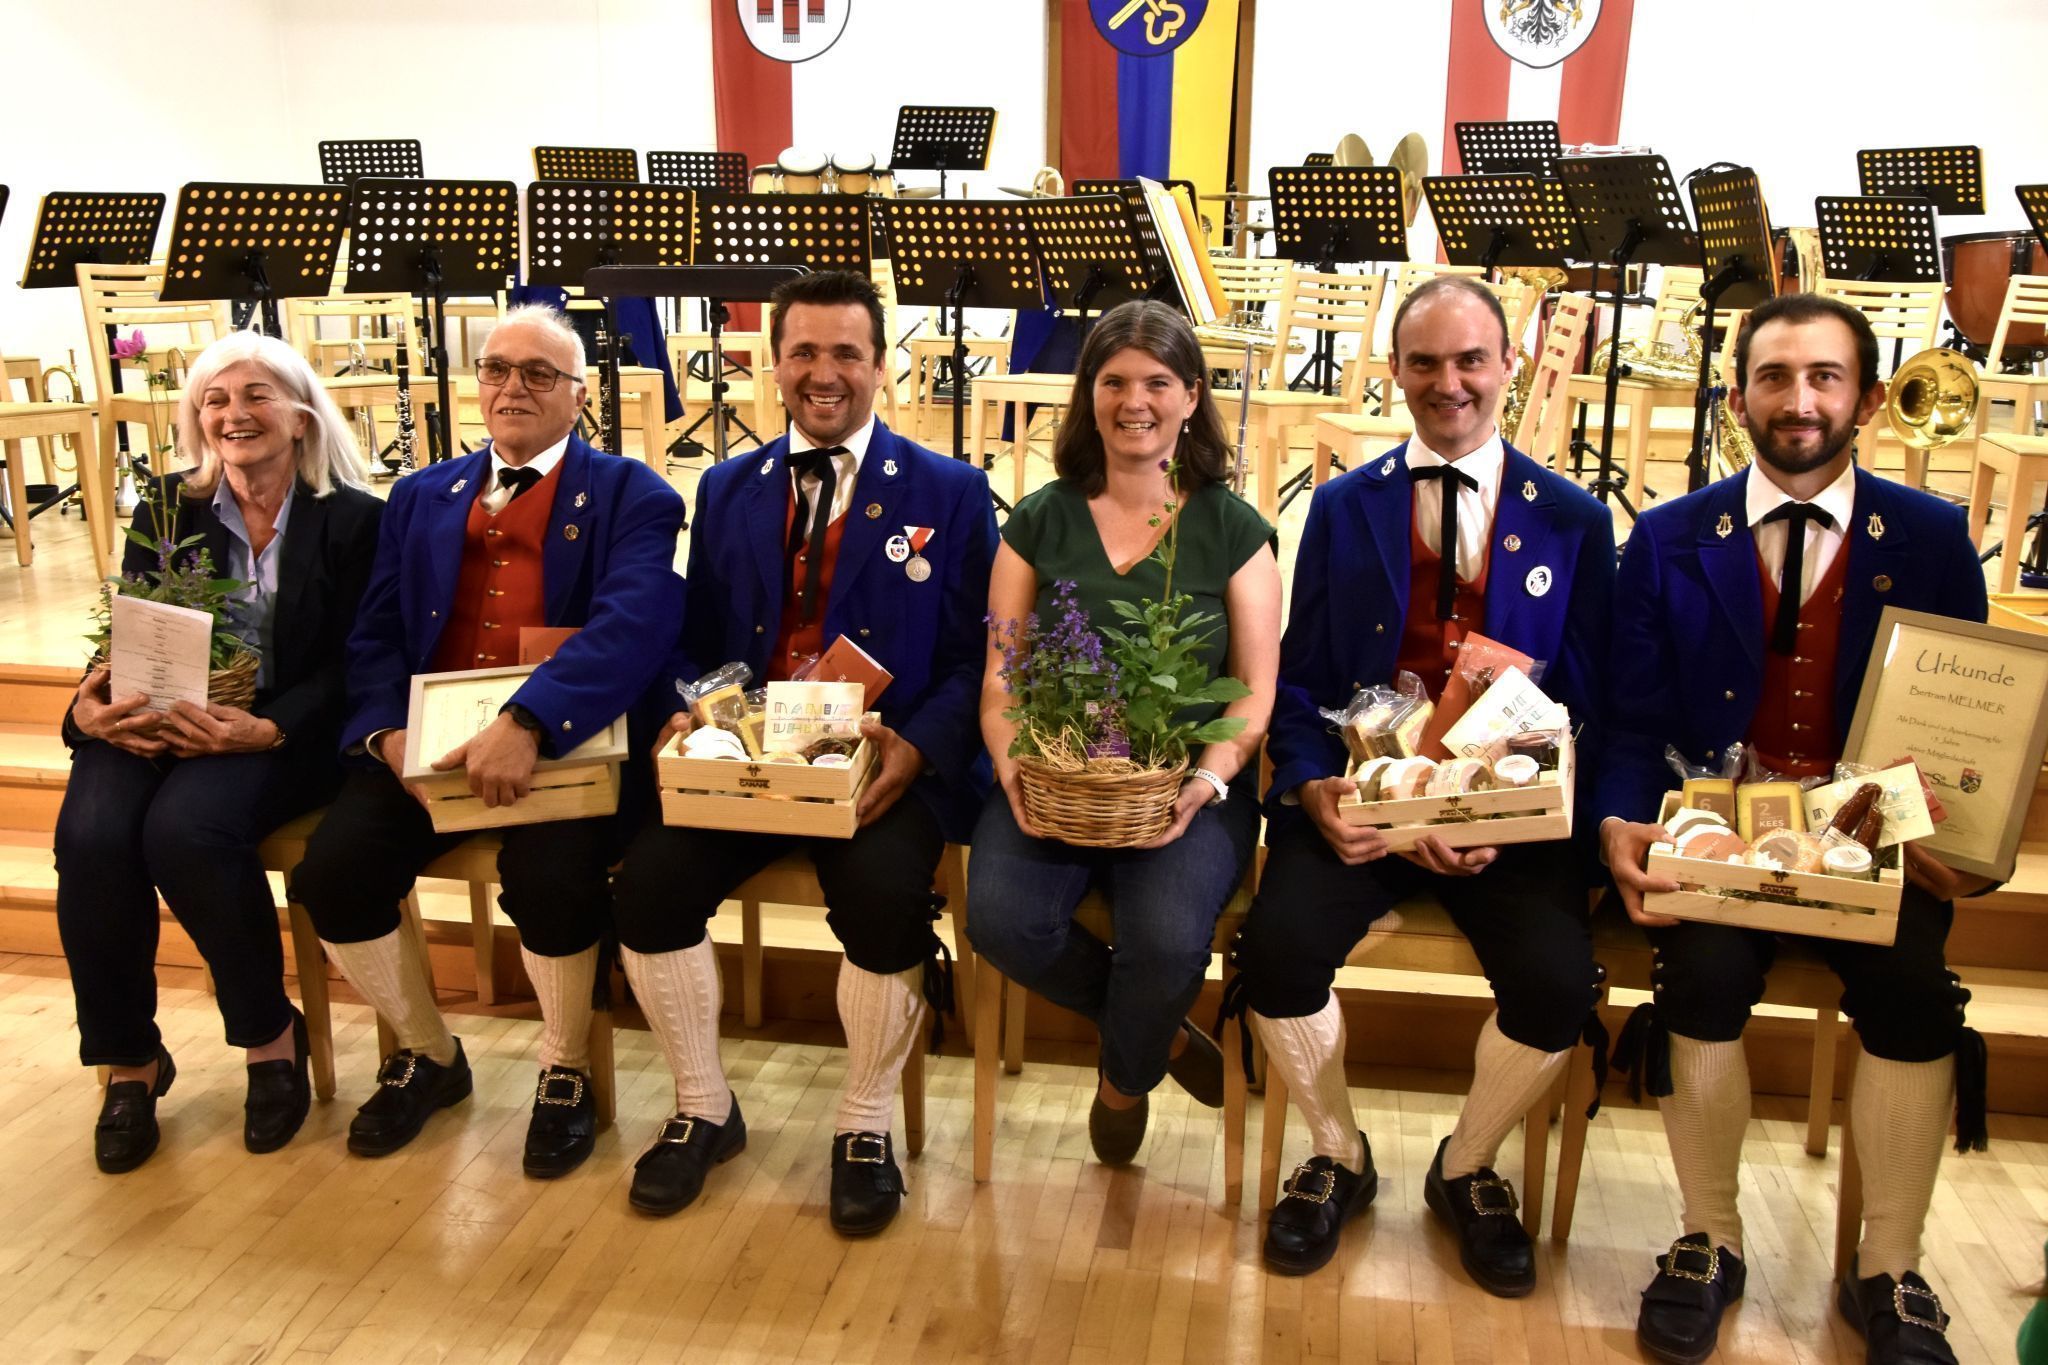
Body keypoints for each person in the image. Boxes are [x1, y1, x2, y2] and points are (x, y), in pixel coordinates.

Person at [1600, 293, 1987, 1365]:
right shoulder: (1671, 536)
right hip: (1717, 844)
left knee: (1915, 995)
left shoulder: (1931, 538)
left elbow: (1969, 722)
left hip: (1875, 849)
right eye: (1773, 377)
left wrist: (1964, 839)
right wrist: (1623, 821)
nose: (1798, 400)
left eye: (1822, 377)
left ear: (1863, 398)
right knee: (1703, 982)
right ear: (1736, 398)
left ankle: (1889, 1268)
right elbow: (1632, 719)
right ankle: (1705, 1240)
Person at [1226, 276, 1615, 1285]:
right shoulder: (1344, 508)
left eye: (1469, 360)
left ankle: (1469, 1163)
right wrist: (1310, 788)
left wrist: (1507, 811)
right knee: (1272, 952)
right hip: (1363, 806)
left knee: (1555, 984)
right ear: (1393, 371)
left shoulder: (1571, 518)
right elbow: (1304, 678)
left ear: (1506, 367)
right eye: (1425, 363)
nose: (1448, 384)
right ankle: (1335, 1152)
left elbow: (1587, 699)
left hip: (1506, 828)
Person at [611, 269, 996, 1235]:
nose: (825, 374)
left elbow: (972, 656)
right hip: (748, 764)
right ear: (773, 364)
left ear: (882, 368)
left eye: (847, 354)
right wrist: (691, 708)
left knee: (883, 898)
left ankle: (864, 1122)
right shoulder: (727, 483)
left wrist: (917, 746)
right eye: (805, 353)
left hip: (877, 764)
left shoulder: (950, 493)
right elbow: (697, 640)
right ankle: (704, 1105)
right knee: (648, 885)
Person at [289, 305, 685, 1175]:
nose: (513, 388)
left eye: (539, 374)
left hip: (564, 745)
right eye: (498, 370)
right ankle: (430, 1053)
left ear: (579, 396)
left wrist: (530, 722)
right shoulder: (421, 493)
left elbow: (634, 626)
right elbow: (379, 632)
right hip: (427, 748)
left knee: (552, 880)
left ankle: (565, 1067)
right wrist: (386, 734)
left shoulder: (635, 494)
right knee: (333, 874)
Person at [55, 330, 383, 1172]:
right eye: (215, 400)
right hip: (161, 716)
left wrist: (267, 727)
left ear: (302, 415)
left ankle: (270, 1038)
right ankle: (129, 1061)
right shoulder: (170, 507)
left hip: (279, 730)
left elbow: (358, 662)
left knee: (184, 833)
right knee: (91, 836)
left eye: (256, 395)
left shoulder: (354, 521)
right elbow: (132, 629)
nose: (235, 414)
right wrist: (90, 711)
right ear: (197, 421)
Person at [966, 299, 1281, 1168]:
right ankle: (1160, 1037)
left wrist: (1209, 778)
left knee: (1171, 939)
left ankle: (1123, 1076)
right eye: (1112, 381)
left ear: (1191, 396)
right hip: (1059, 775)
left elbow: (1255, 691)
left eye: (1156, 382)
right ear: (1087, 395)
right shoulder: (1038, 520)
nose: (1132, 401)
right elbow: (1003, 673)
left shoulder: (1233, 530)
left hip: (1188, 786)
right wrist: (1012, 759)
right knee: (1000, 917)